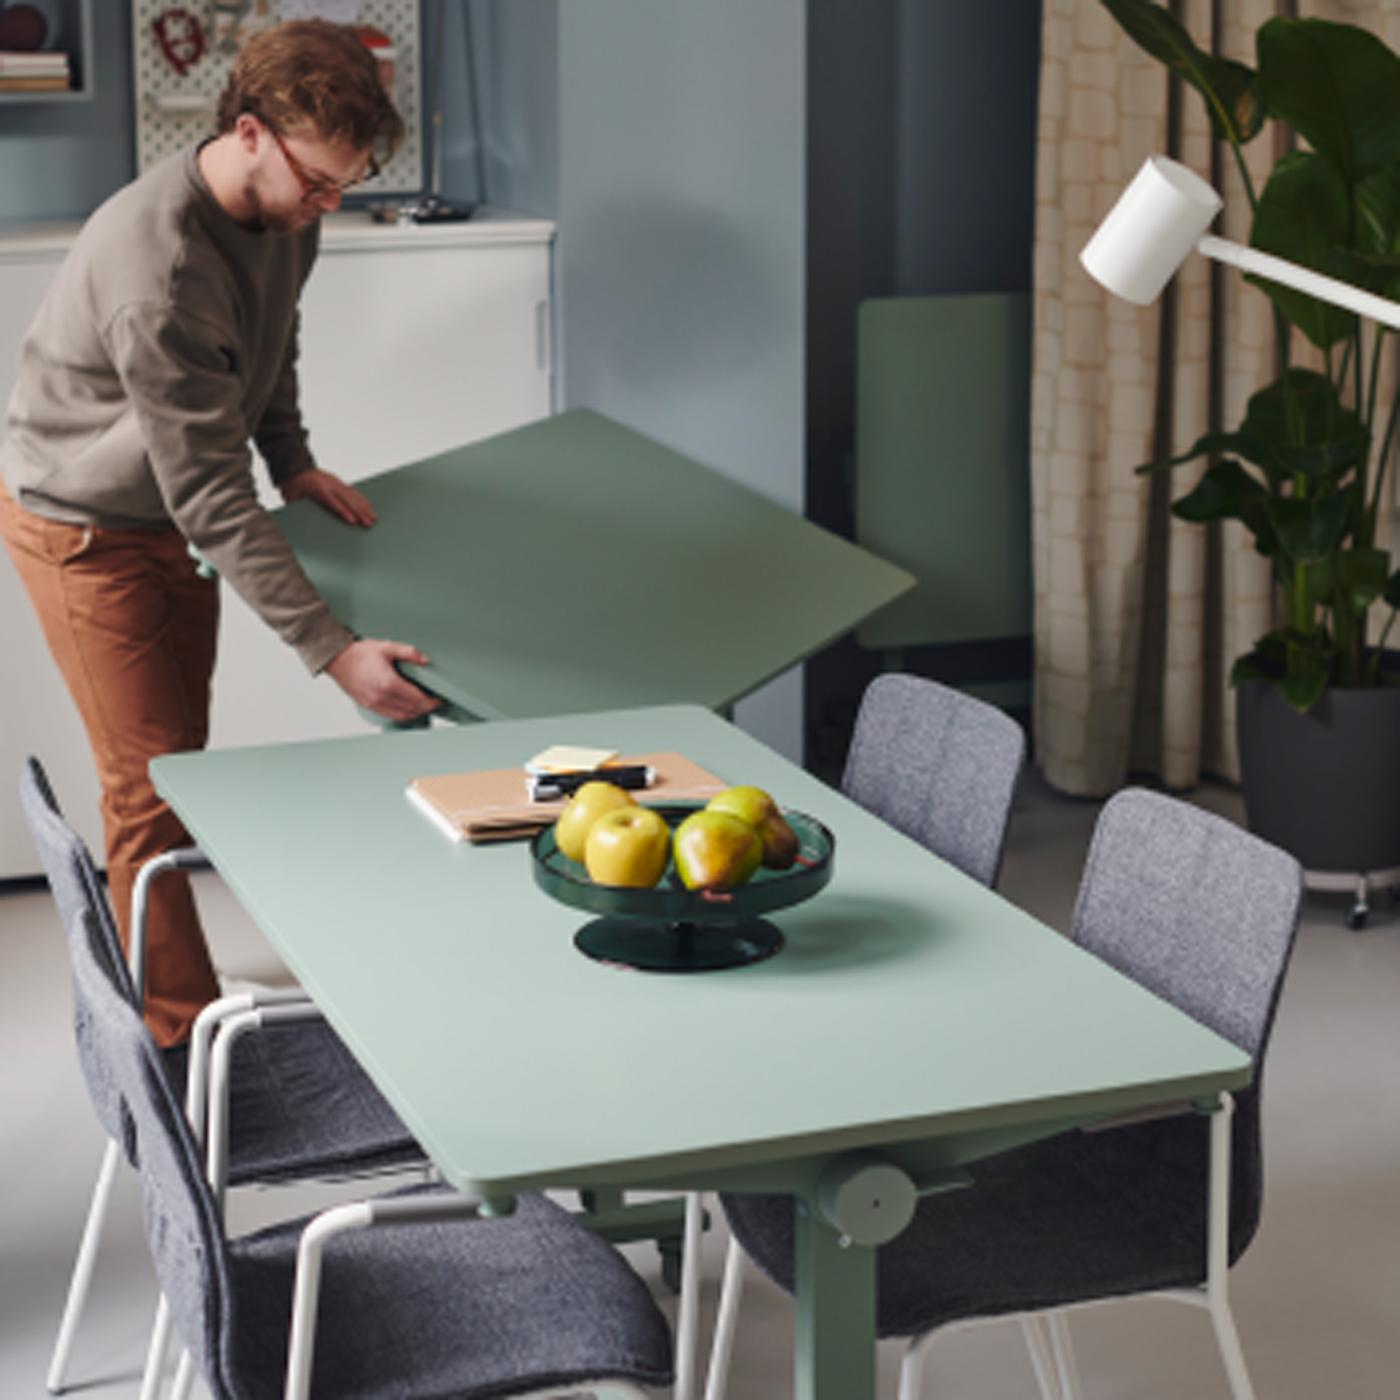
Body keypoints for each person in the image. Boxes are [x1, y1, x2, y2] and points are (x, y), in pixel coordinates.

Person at [0, 20, 439, 1047]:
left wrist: (292, 458)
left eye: (349, 184)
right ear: (250, 132)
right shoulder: (158, 267)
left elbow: (269, 341)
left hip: (165, 509)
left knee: (176, 762)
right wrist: (331, 653)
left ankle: (155, 970)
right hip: (82, 523)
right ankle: (172, 1040)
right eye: (320, 183)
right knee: (148, 781)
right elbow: (207, 493)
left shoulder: (291, 215)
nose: (329, 206)